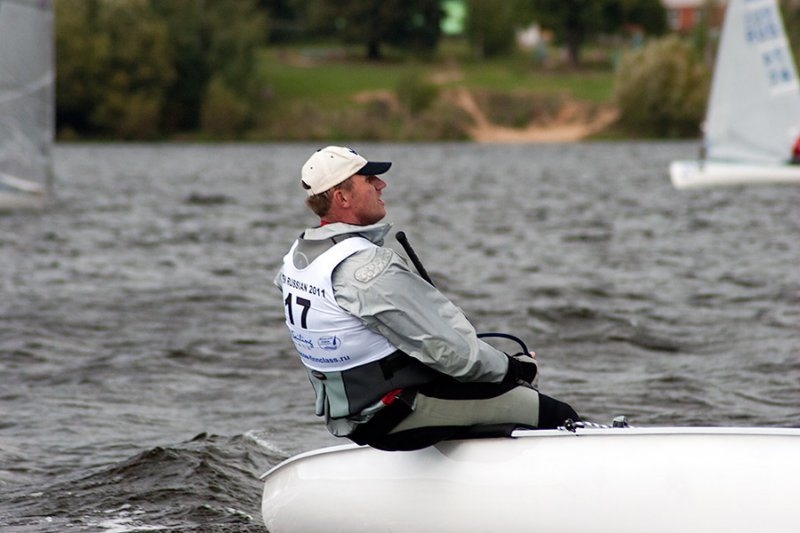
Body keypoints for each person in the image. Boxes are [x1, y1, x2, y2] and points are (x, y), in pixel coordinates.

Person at [275, 145, 580, 451]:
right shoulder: (368, 267)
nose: (382, 184)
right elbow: (455, 356)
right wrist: (518, 369)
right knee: (554, 412)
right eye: (368, 180)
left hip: (353, 417)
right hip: (394, 415)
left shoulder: (296, 259)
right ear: (343, 197)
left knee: (481, 386)